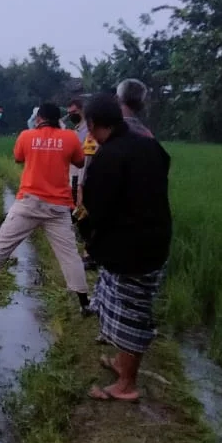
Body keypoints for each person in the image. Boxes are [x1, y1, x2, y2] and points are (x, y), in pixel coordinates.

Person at [79, 93, 172, 403]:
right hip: (155, 239)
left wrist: (90, 237)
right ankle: (122, 364)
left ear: (91, 124)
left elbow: (98, 209)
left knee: (131, 312)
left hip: (132, 250)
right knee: (117, 302)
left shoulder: (109, 157)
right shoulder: (148, 144)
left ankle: (127, 385)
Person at [0, 103, 92, 317]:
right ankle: (84, 303)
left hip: (28, 201)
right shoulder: (70, 138)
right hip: (58, 206)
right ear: (58, 119)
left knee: (3, 242)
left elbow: (19, 158)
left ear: (38, 118)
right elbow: (79, 160)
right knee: (69, 255)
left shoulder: (27, 136)